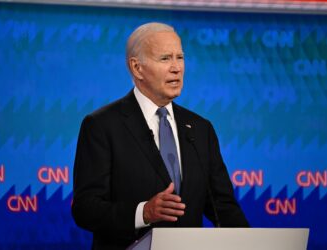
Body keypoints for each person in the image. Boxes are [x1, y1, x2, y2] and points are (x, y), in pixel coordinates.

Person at [72, 22, 249, 250]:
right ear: (137, 68)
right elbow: (85, 208)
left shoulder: (200, 129)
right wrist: (143, 212)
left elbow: (222, 206)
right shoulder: (102, 126)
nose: (176, 68)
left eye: (180, 57)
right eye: (165, 59)